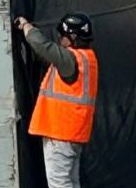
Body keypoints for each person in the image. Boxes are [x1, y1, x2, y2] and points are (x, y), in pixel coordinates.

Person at [14, 12, 98, 188]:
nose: (60, 38)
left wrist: (26, 27)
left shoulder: (70, 59)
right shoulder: (87, 58)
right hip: (73, 135)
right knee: (71, 182)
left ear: (73, 37)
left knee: (59, 183)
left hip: (60, 135)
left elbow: (42, 45)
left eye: (63, 35)